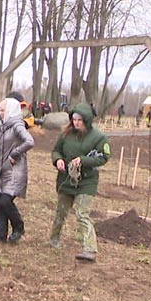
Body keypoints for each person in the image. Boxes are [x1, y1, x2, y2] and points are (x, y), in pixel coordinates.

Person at [50, 103, 111, 262]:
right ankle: (54, 238)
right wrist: (58, 160)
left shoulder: (99, 137)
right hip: (66, 179)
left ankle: (89, 249)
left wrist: (83, 160)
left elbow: (103, 157)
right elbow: (56, 150)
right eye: (74, 119)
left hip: (87, 181)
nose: (76, 123)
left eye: (79, 120)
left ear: (87, 120)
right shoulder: (65, 134)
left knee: (82, 213)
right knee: (61, 212)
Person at [0, 98, 34, 244]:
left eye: (2, 110)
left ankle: (18, 226)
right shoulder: (3, 125)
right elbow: (1, 146)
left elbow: (29, 142)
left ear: (11, 110)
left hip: (15, 170)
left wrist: (15, 154)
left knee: (6, 201)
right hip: (2, 169)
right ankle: (0, 233)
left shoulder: (17, 125)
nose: (0, 113)